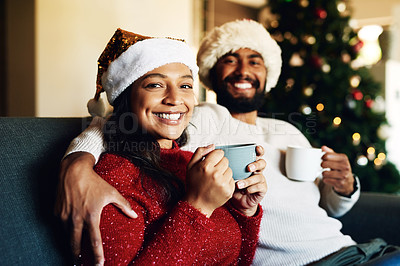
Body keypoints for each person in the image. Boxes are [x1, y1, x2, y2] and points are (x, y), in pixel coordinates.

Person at [57, 20, 400, 265]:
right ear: (211, 72)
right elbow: (115, 123)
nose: (243, 69)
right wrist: (77, 164)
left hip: (361, 249)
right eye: (230, 59)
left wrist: (343, 188)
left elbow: (324, 206)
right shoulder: (198, 119)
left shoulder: (288, 129)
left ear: (268, 75)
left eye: (255, 61)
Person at [71, 28, 267, 265]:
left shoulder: (189, 162)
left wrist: (244, 211)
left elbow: (237, 260)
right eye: (155, 85)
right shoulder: (113, 180)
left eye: (185, 86)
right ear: (126, 97)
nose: (175, 99)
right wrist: (198, 207)